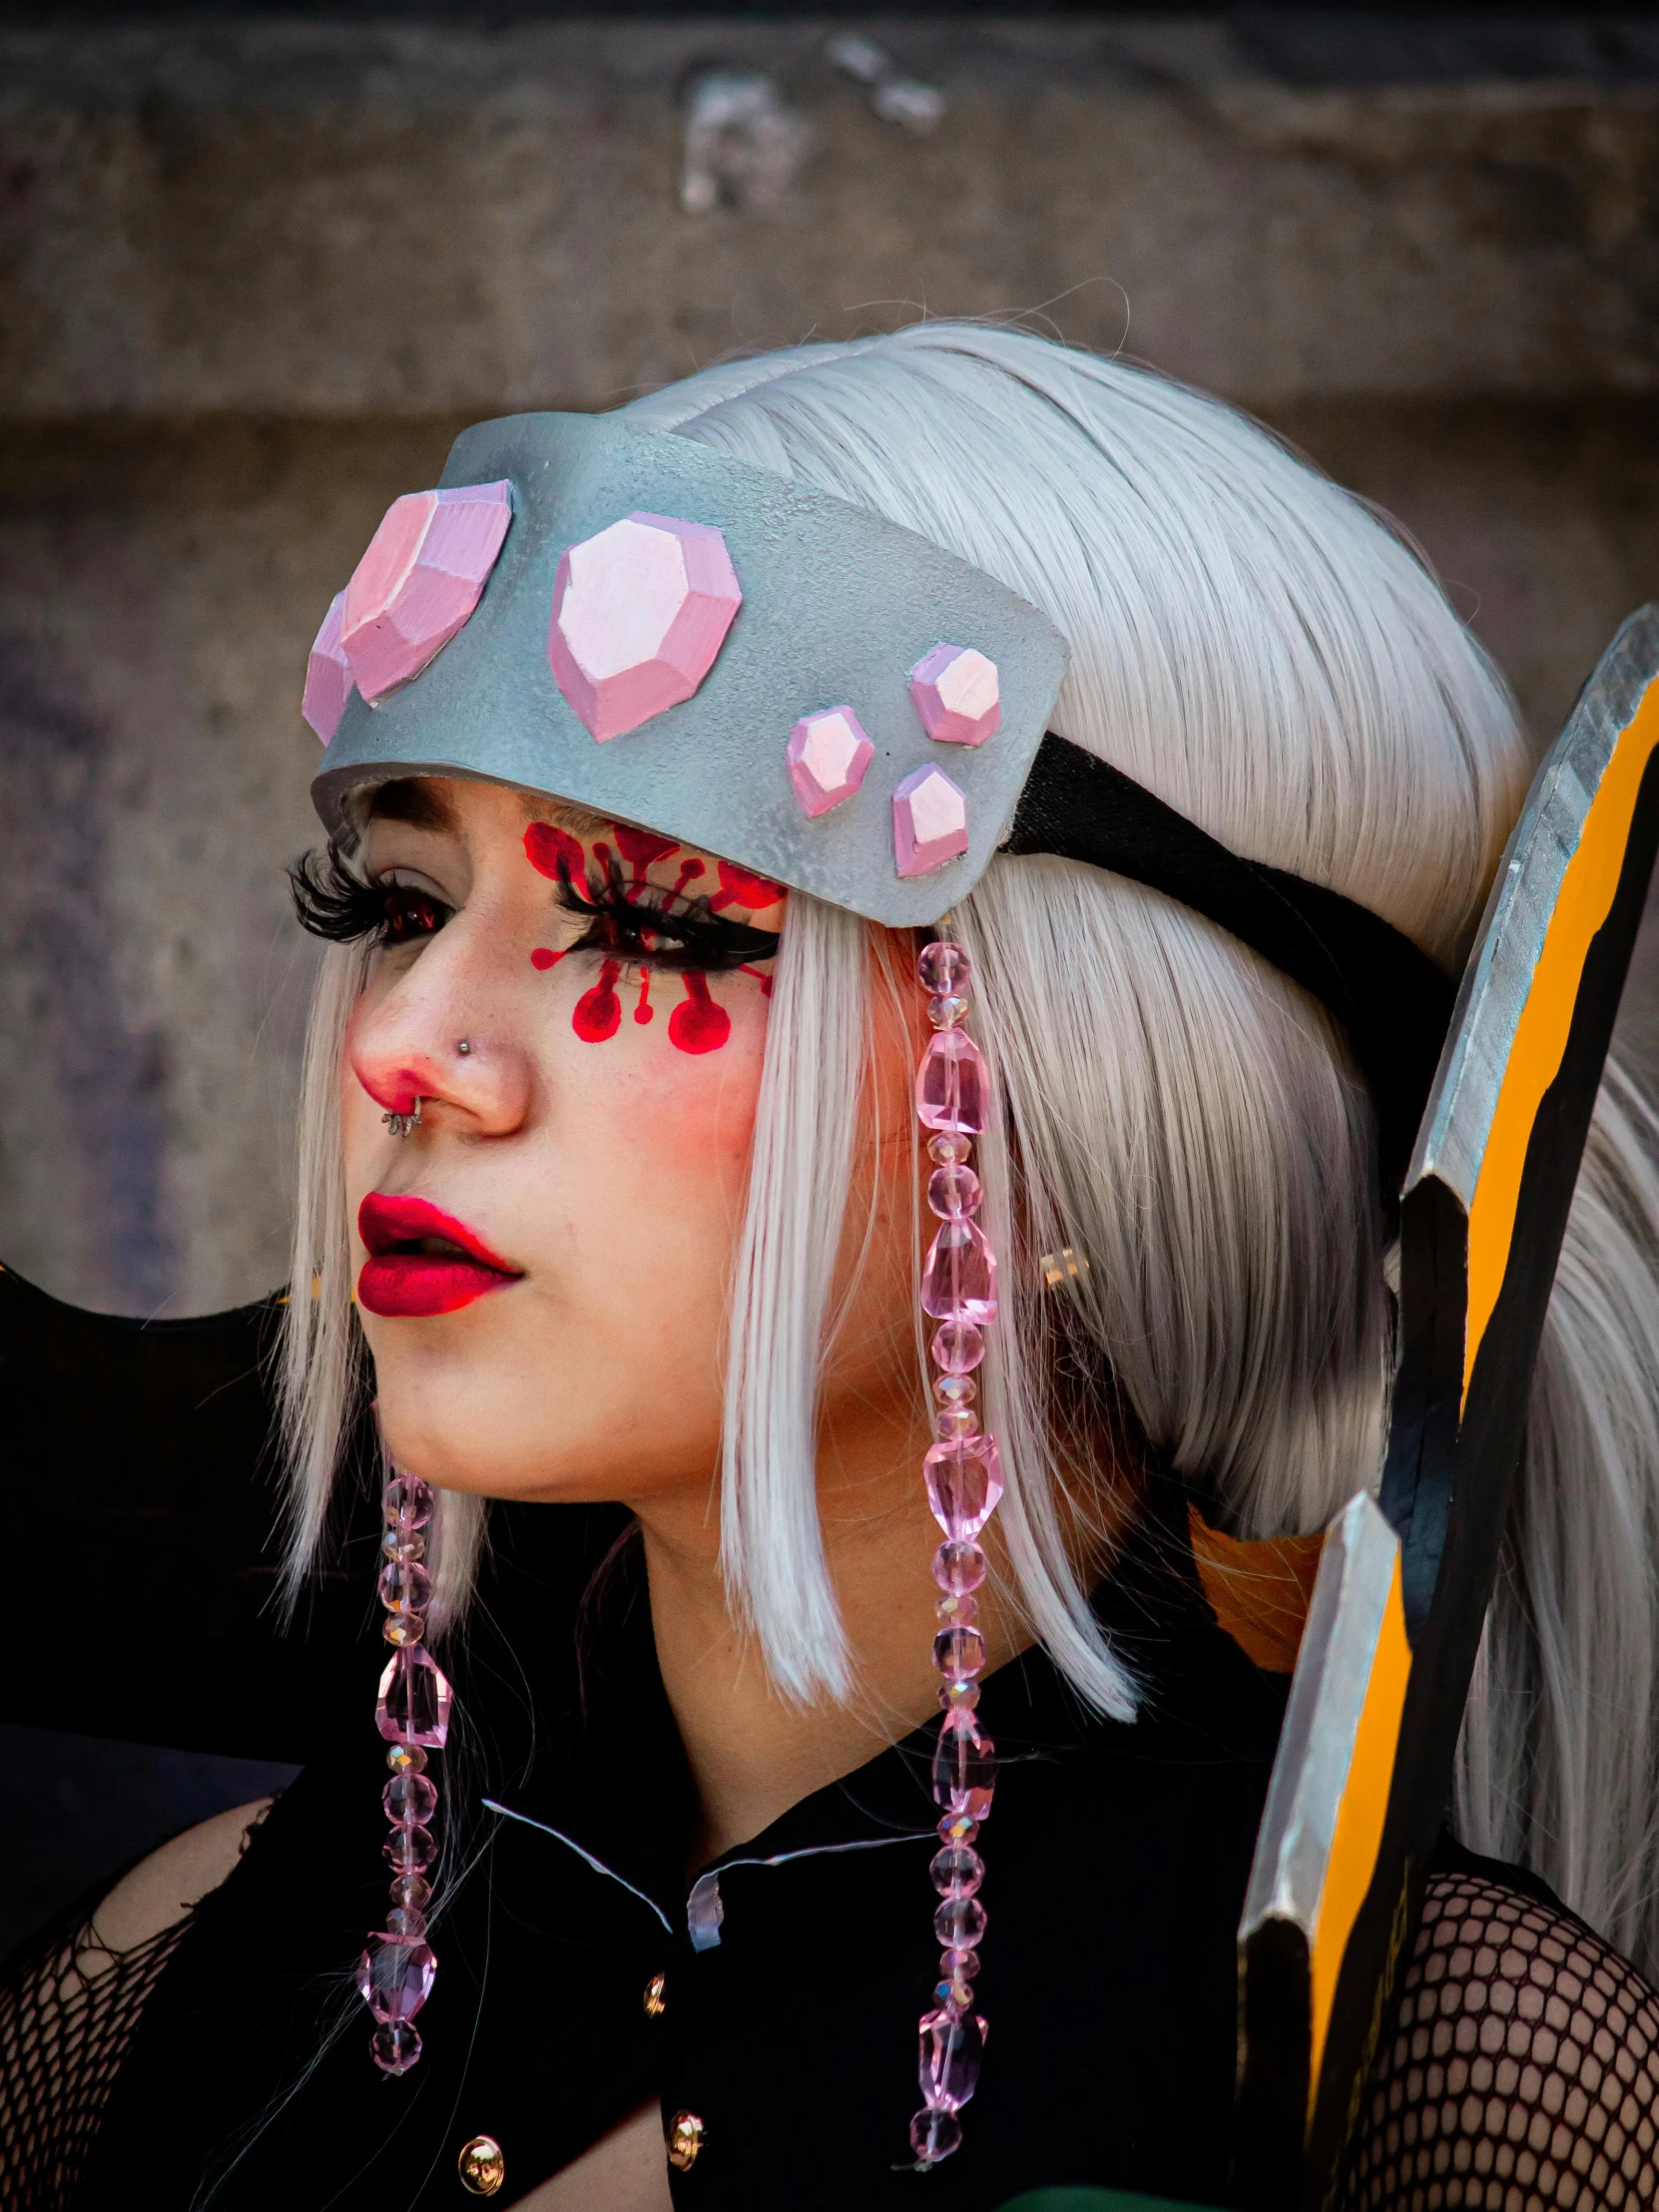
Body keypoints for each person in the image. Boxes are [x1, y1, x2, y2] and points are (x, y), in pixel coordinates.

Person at [4, 323, 1659, 2212]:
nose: (404, 1049)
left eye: (650, 918)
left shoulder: (1445, 2077)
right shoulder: (187, 1976)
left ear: (1101, 1099)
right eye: (397, 903)